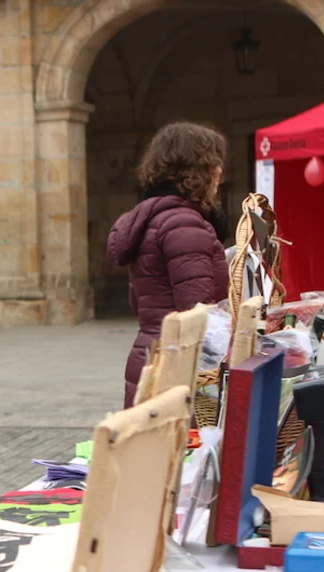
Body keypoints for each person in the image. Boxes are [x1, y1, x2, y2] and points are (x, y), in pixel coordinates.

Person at [108, 121, 229, 408]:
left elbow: (141, 301)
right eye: (215, 162)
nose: (220, 172)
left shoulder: (153, 219)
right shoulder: (183, 223)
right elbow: (197, 315)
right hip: (177, 368)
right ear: (198, 169)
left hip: (152, 354)